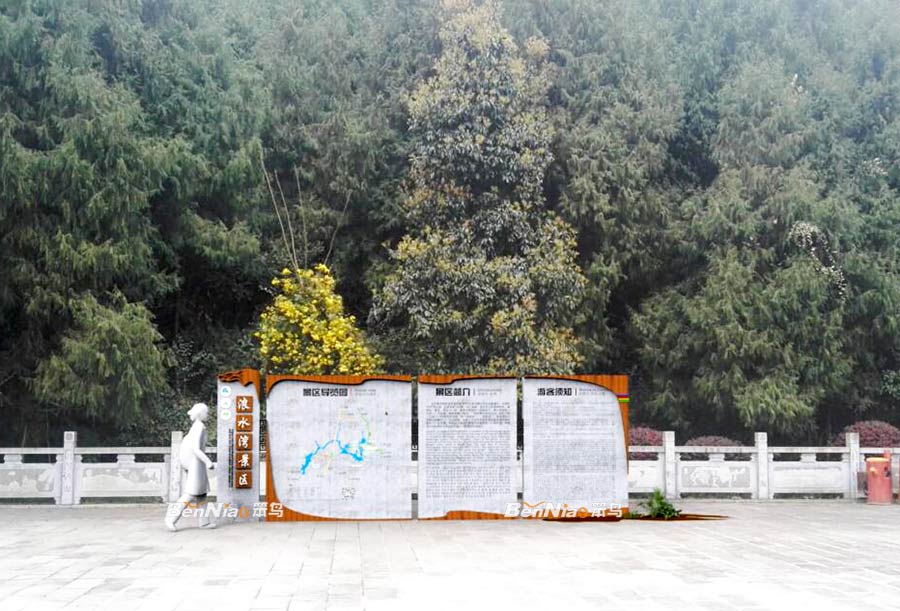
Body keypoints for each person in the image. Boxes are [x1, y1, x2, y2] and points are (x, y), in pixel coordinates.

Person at [165, 402, 216, 531]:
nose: (207, 414)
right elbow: (196, 449)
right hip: (196, 464)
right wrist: (208, 462)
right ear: (200, 414)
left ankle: (204, 522)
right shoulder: (199, 427)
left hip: (197, 464)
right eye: (206, 412)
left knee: (201, 494)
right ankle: (171, 518)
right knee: (190, 494)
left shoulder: (197, 426)